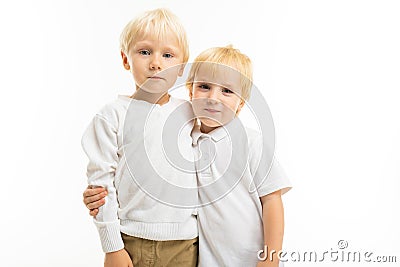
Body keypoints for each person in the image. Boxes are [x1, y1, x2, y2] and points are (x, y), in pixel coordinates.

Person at [84, 46, 291, 267]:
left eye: (227, 91)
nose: (213, 98)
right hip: (206, 258)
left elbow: (271, 200)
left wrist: (271, 257)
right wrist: (98, 191)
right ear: (190, 92)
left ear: (241, 102)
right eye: (204, 87)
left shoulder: (250, 143)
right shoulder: (187, 137)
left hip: (252, 257)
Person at [81, 8, 198, 267]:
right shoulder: (112, 116)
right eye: (144, 52)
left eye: (167, 55)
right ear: (125, 59)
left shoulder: (191, 113)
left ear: (181, 67)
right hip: (131, 241)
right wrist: (112, 247)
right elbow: (101, 186)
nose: (155, 63)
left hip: (187, 244)